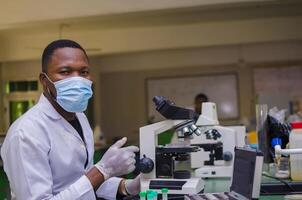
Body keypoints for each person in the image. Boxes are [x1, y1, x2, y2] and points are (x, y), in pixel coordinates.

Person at [1, 39, 140, 200]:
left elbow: (81, 181)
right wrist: (102, 170)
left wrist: (126, 186)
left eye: (84, 72)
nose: (77, 79)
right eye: (65, 72)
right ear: (45, 81)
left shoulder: (80, 118)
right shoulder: (26, 132)